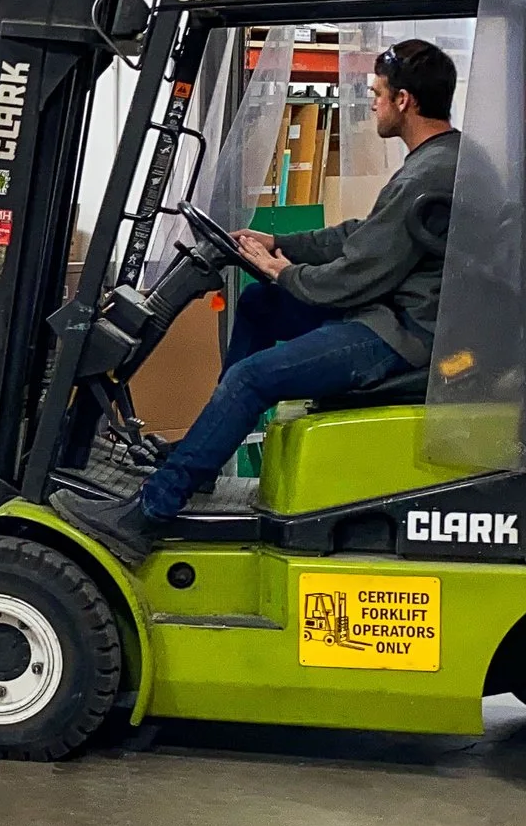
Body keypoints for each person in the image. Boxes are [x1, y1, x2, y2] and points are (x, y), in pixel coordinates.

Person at [56, 39, 462, 565]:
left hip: (402, 333)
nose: (373, 104)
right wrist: (282, 245)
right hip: (401, 313)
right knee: (259, 307)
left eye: (378, 94)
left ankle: (147, 515)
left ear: (404, 100)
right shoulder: (437, 161)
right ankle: (201, 457)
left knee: (253, 377)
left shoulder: (428, 174)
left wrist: (285, 272)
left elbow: (354, 277)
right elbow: (363, 236)